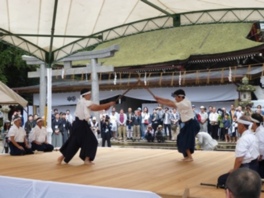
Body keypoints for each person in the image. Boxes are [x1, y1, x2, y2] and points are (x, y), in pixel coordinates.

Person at [57, 88, 115, 165]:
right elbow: (95, 107)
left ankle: (61, 157)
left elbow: (96, 108)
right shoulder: (85, 102)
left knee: (74, 142)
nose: (90, 95)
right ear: (86, 95)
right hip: (81, 124)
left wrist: (105, 107)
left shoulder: (81, 102)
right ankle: (86, 159)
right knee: (92, 140)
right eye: (89, 94)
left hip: (78, 124)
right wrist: (108, 104)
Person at [154, 89, 200, 161]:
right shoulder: (181, 100)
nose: (175, 98)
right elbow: (169, 101)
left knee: (185, 140)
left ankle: (190, 157)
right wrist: (159, 98)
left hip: (192, 124)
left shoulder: (185, 103)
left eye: (176, 97)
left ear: (180, 97)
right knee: (180, 138)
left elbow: (170, 104)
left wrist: (160, 101)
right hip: (188, 124)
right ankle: (187, 156)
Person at [217, 115, 259, 187]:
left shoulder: (243, 139)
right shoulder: (253, 135)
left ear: (242, 125)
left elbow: (239, 159)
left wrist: (234, 171)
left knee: (221, 179)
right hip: (254, 166)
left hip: (247, 167)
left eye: (238, 124)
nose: (237, 126)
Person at [250, 113, 264, 178]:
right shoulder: (259, 130)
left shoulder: (260, 132)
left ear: (254, 123)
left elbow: (262, 146)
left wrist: (260, 156)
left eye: (251, 122)